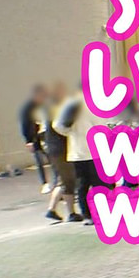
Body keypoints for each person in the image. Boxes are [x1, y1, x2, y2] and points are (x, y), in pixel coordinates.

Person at [53, 87, 103, 226]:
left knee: (82, 185)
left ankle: (87, 215)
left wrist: (70, 133)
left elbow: (57, 125)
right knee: (100, 184)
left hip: (76, 152)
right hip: (95, 151)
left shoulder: (70, 104)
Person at [43, 82, 82, 223]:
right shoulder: (58, 112)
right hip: (61, 150)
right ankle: (70, 212)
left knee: (63, 180)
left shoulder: (50, 112)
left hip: (54, 150)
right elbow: (63, 129)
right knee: (68, 181)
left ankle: (52, 209)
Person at [19, 84, 52, 194]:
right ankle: (45, 183)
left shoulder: (43, 106)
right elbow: (24, 124)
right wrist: (28, 141)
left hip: (44, 136)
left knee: (52, 159)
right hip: (34, 138)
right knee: (39, 161)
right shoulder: (28, 108)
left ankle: (57, 183)